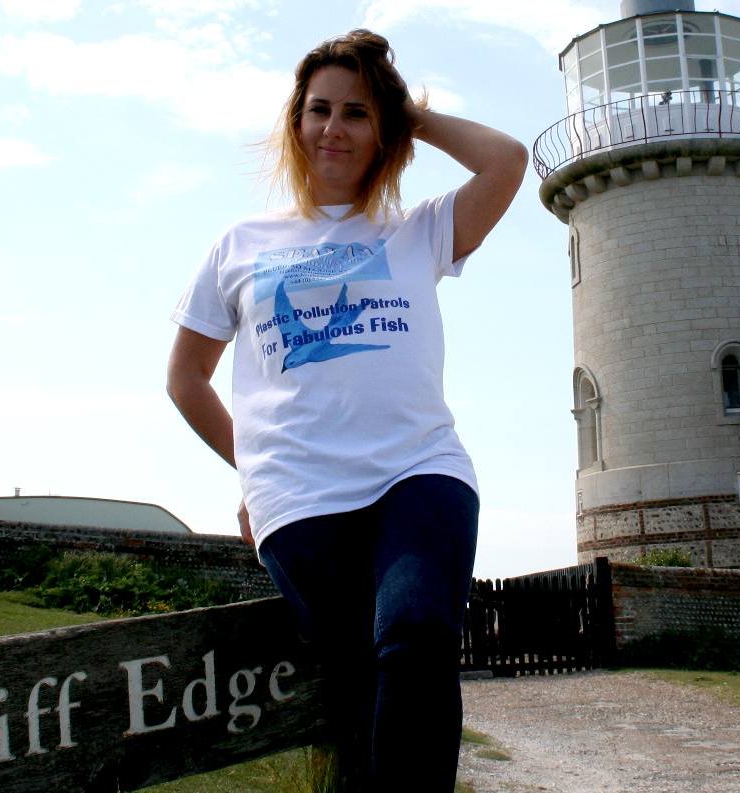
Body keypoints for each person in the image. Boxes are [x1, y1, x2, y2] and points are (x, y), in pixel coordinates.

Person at [165, 29, 526, 791]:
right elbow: (187, 378)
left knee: (419, 635)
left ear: (382, 129)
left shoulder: (417, 228)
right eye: (320, 109)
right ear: (296, 122)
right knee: (359, 685)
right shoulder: (240, 244)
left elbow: (506, 160)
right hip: (298, 496)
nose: (335, 127)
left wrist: (410, 112)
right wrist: (251, 463)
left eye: (357, 113)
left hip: (418, 470)